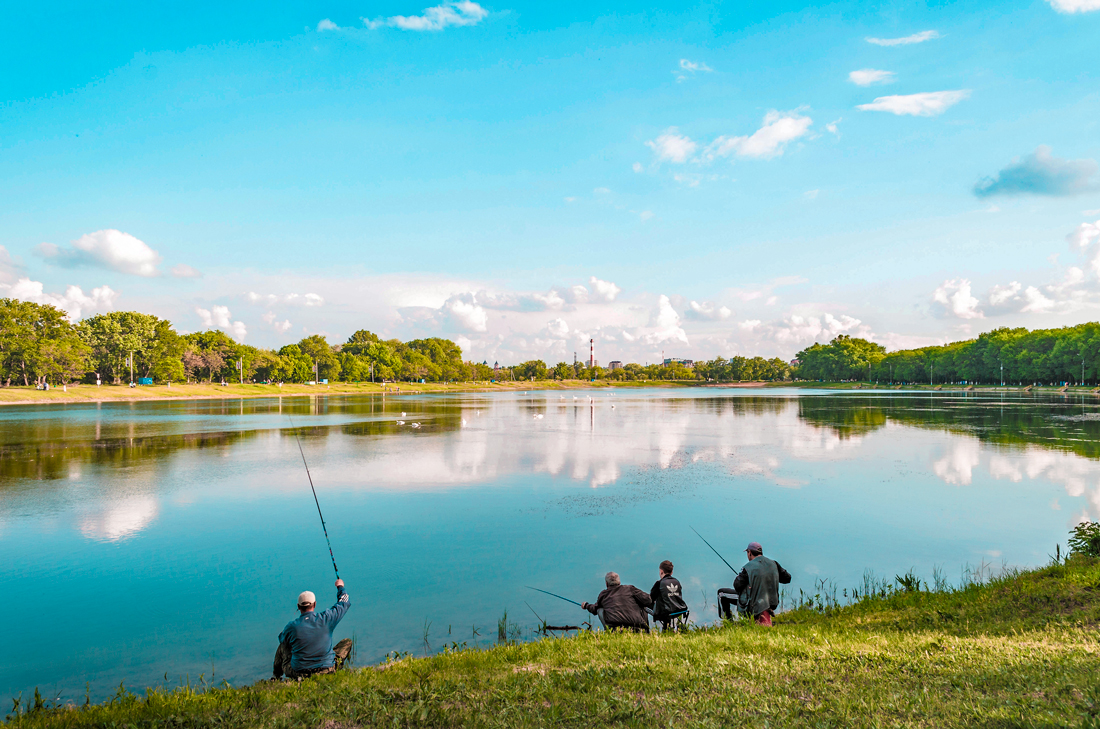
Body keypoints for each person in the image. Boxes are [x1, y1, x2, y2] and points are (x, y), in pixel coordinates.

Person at [273, 578, 352, 679]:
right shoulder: (326, 618)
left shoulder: (291, 626)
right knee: (347, 642)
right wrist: (340, 586)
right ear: (315, 604)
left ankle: (275, 677)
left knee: (283, 645)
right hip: (326, 670)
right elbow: (345, 602)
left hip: (299, 674)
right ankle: (334, 670)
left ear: (298, 606)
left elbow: (282, 639)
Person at [717, 542, 791, 626]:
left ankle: (728, 623)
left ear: (749, 552)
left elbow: (737, 586)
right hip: (771, 602)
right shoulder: (774, 563)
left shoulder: (747, 568)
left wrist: (740, 577)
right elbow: (787, 578)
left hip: (753, 603)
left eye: (747, 553)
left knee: (721, 593)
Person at [581, 571, 653, 632]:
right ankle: (646, 631)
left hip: (616, 630)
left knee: (600, 610)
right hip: (637, 628)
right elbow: (648, 599)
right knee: (643, 602)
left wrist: (586, 605)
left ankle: (609, 632)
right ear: (619, 582)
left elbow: (594, 609)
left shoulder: (604, 594)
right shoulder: (630, 589)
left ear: (606, 583)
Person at [649, 560, 690, 631]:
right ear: (672, 572)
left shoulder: (659, 583)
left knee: (645, 604)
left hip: (666, 612)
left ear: (661, 571)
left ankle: (645, 630)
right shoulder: (677, 582)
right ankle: (676, 627)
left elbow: (651, 598)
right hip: (680, 609)